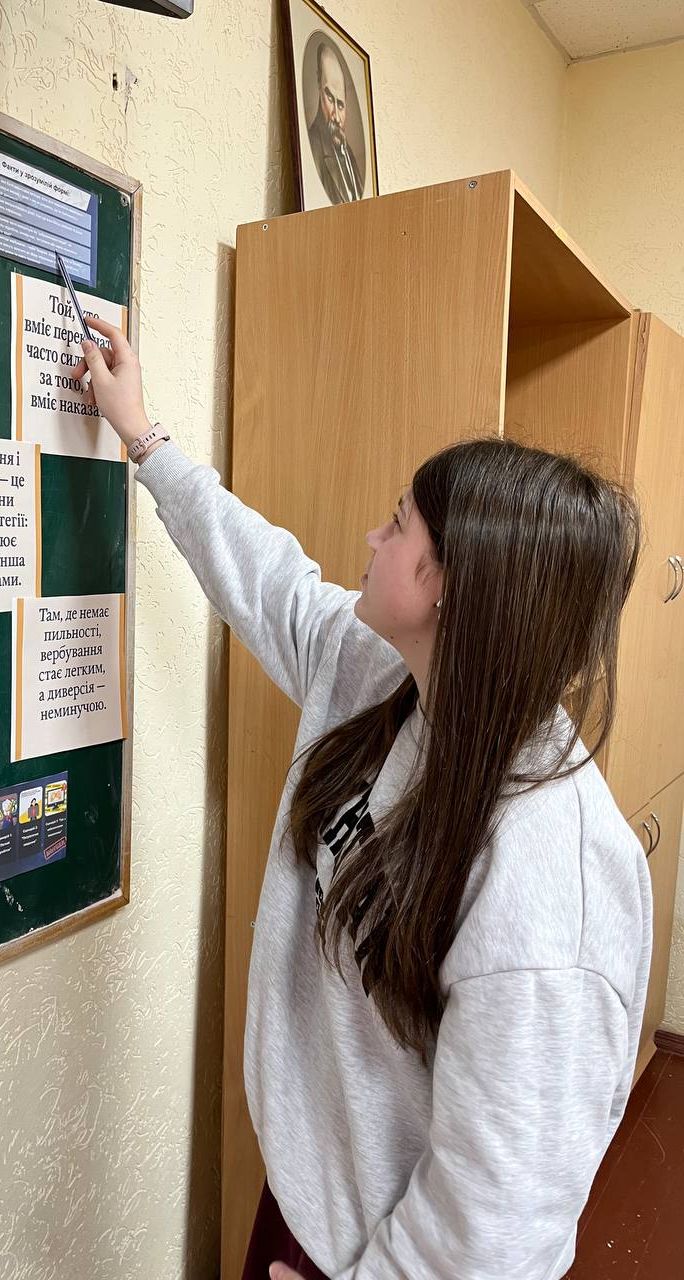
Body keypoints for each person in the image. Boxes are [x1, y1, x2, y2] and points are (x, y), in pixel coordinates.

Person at [73, 320, 651, 1280]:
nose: (373, 539)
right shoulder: (384, 672)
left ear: (451, 587)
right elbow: (271, 582)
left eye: (397, 523)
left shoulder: (555, 872)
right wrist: (144, 438)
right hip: (312, 1201)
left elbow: (501, 1211)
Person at [307, 39, 365, 204]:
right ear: (318, 83)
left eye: (340, 105)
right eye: (330, 98)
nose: (336, 117)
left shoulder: (348, 153)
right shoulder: (312, 149)